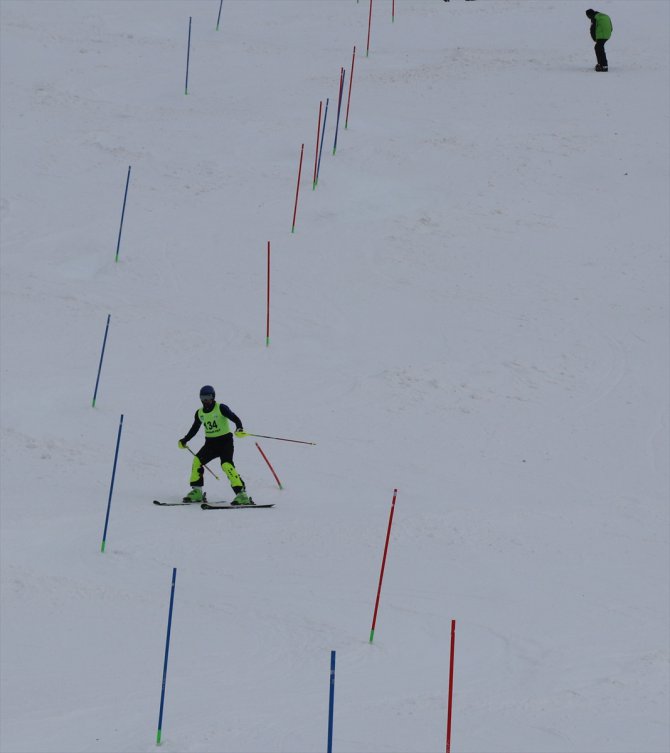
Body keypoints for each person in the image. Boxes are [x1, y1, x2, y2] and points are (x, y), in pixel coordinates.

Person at [178, 385, 253, 505]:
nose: (206, 401)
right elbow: (194, 428)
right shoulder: (200, 413)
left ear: (213, 397)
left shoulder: (221, 408)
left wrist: (239, 428)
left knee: (226, 465)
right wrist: (185, 440)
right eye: (203, 398)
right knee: (197, 461)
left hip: (225, 442)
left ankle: (241, 494)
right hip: (210, 444)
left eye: (208, 397)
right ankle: (197, 491)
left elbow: (235, 418)